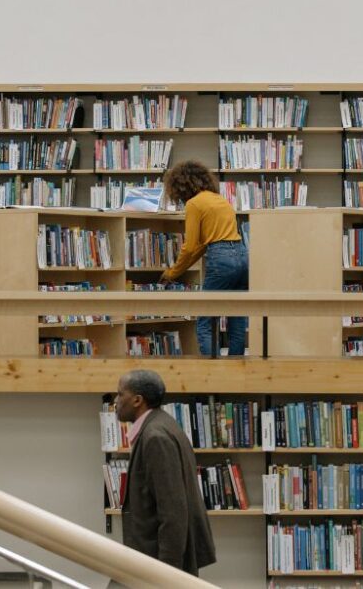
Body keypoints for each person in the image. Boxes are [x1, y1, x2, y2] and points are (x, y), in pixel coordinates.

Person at [115, 369, 216, 575]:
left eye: (120, 394)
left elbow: (172, 512)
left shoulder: (155, 437)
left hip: (157, 562)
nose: (116, 401)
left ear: (137, 400)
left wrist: (167, 574)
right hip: (152, 558)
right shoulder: (161, 424)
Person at [160, 161, 249, 356]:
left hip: (221, 257)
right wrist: (178, 270)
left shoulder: (194, 204)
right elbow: (202, 246)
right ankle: (237, 370)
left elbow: (190, 246)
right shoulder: (220, 199)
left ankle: (213, 372)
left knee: (206, 320)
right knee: (237, 318)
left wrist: (172, 272)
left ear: (180, 186)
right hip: (242, 255)